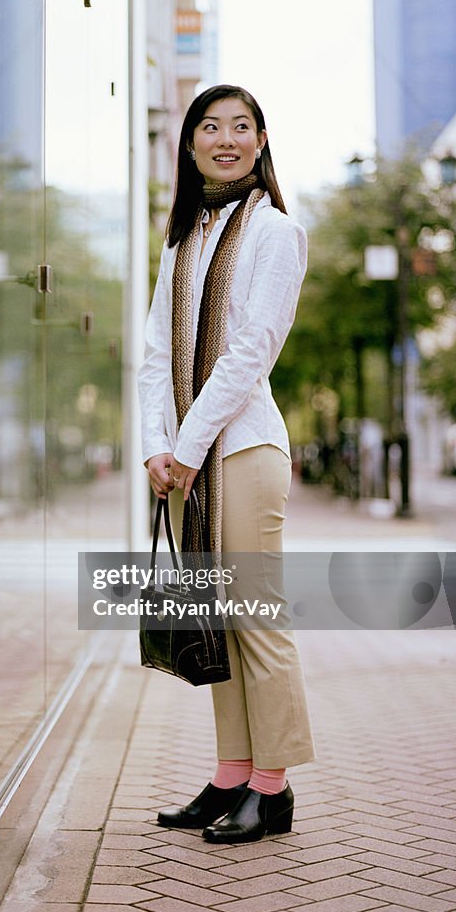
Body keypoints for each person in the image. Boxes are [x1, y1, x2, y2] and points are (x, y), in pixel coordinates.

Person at [138, 84, 314, 844]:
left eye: (240, 127)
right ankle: (230, 775)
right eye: (210, 127)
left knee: (255, 618)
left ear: (261, 141)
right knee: (215, 619)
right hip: (186, 460)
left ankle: (271, 790)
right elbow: (154, 352)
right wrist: (155, 443)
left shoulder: (274, 232)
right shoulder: (185, 236)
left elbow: (249, 354)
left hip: (239, 451)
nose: (225, 138)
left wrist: (185, 444)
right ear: (188, 145)